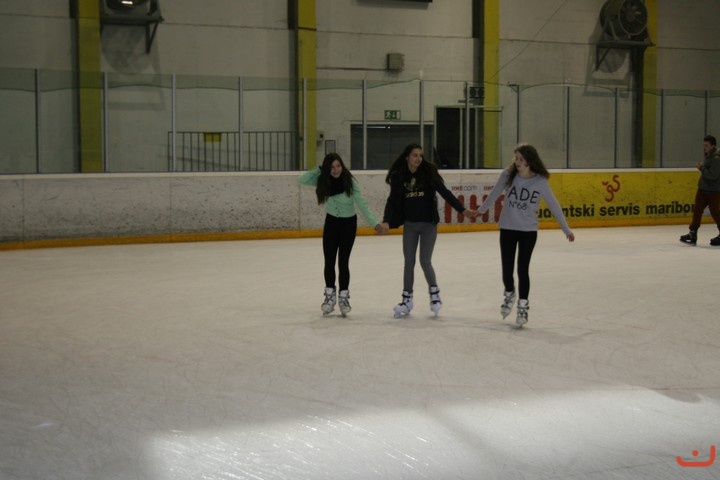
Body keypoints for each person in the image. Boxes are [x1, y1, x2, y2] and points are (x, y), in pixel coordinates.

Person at [477, 143, 575, 327]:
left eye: (521, 159)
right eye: (516, 158)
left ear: (530, 161)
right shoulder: (508, 175)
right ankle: (509, 294)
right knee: (507, 271)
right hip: (507, 228)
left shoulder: (539, 182)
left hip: (528, 231)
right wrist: (480, 211)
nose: (517, 162)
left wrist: (566, 229)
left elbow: (554, 205)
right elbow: (494, 195)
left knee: (522, 269)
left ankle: (523, 305)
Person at [379, 143, 477, 317]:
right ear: (407, 157)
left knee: (425, 261)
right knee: (409, 262)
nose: (418, 158)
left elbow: (445, 192)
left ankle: (435, 295)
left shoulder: (428, 173)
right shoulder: (399, 176)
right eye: (415, 155)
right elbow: (392, 200)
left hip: (428, 225)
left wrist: (462, 210)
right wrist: (386, 221)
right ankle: (407, 301)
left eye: (420, 155)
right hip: (410, 225)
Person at [298, 153, 385, 316]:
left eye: (338, 166)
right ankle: (329, 297)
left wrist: (375, 224)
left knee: (343, 262)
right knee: (329, 261)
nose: (336, 170)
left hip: (348, 226)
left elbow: (362, 204)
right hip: (331, 224)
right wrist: (319, 169)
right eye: (331, 167)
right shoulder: (323, 180)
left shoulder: (349, 182)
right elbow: (301, 179)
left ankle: (343, 297)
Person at [679, 135, 720, 246]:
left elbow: (713, 175)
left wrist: (702, 168)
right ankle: (692, 233)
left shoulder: (716, 158)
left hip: (713, 190)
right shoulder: (709, 155)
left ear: (712, 146)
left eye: (706, 145)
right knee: (697, 210)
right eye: (704, 145)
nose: (704, 148)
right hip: (703, 189)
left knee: (715, 212)